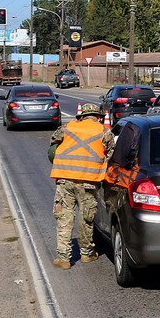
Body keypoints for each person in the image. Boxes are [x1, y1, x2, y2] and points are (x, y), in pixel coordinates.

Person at [49, 103, 115, 269]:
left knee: (64, 218)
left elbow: (52, 149)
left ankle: (64, 259)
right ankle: (86, 254)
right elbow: (111, 155)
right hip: (89, 182)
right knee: (87, 218)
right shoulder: (104, 132)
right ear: (98, 117)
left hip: (65, 179)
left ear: (81, 117)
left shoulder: (67, 128)